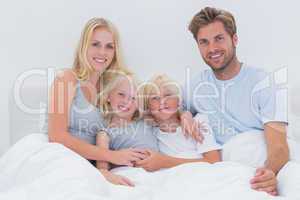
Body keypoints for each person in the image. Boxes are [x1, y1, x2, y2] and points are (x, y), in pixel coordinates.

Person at [185, 7, 289, 196]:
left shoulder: (263, 82)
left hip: (262, 162)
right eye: (204, 42)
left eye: (219, 38)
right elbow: (173, 105)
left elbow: (279, 147)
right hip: (228, 170)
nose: (212, 49)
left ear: (234, 39)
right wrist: (184, 114)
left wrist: (269, 172)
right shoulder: (197, 85)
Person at [48, 17, 146, 167]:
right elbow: (57, 136)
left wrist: (183, 114)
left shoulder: (114, 88)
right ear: (84, 46)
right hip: (62, 158)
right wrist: (111, 156)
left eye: (109, 47)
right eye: (95, 44)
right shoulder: (67, 79)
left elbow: (150, 108)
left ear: (115, 52)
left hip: (91, 166)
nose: (102, 52)